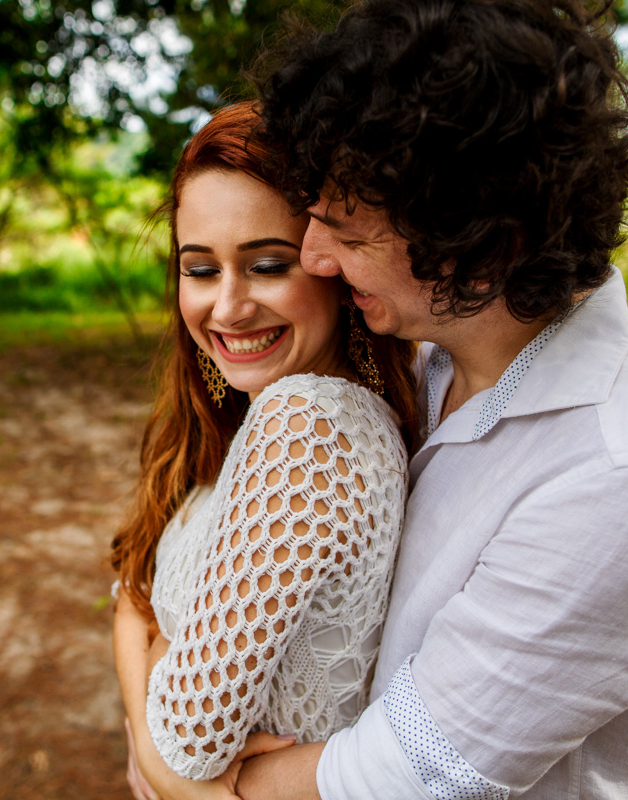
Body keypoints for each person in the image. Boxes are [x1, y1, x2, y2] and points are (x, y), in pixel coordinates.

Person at [213, 1, 628, 798]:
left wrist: (193, 783)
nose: (315, 258)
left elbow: (411, 773)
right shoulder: (418, 360)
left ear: (483, 242)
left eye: (349, 233)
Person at [110, 103, 420, 799]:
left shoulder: (307, 425)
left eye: (268, 265)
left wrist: (162, 757)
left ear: (334, 269)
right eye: (200, 269)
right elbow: (130, 591)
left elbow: (187, 740)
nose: (227, 307)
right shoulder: (254, 416)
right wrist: (148, 665)